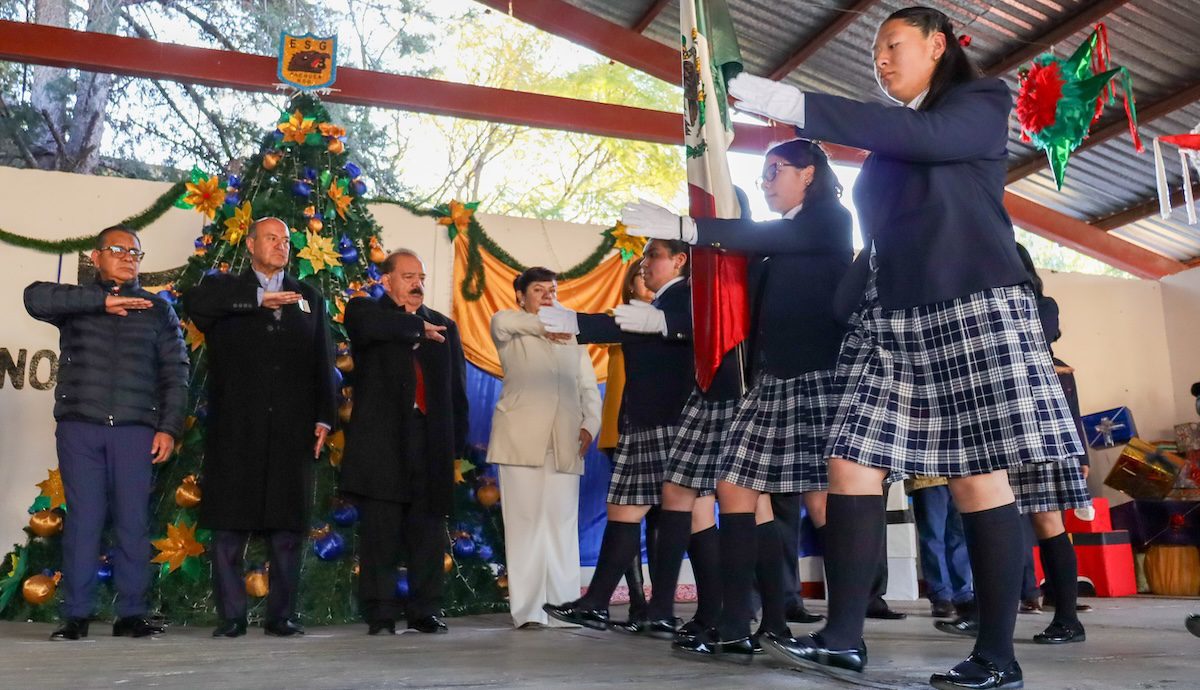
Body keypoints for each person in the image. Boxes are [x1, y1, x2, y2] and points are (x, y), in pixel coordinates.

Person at [727, 7, 1085, 688]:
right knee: (850, 461)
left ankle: (996, 657)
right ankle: (841, 637)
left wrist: (797, 103)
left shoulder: (979, 102)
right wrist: (848, 301)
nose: (881, 60)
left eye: (892, 46)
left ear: (936, 45)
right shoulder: (894, 140)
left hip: (971, 303)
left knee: (979, 476)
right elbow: (887, 226)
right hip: (891, 319)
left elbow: (921, 136)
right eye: (875, 52)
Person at [620, 138, 852, 656]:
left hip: (818, 375)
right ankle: (741, 620)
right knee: (735, 487)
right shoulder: (778, 241)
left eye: (775, 171)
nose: (765, 181)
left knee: (829, 499)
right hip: (772, 378)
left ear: (808, 173)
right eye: (763, 173)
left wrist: (688, 228)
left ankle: (839, 625)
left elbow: (758, 235)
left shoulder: (831, 219)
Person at [25, 225, 188, 641]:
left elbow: (176, 373)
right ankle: (77, 614)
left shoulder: (157, 310)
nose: (128, 256)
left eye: (135, 252)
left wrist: (168, 427)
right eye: (117, 249)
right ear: (96, 258)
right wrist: (103, 301)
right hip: (81, 428)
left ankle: (131, 613)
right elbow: (33, 297)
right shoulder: (78, 303)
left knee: (133, 522)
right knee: (84, 520)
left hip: (135, 432)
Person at [185, 217, 337, 638]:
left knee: (288, 529)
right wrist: (258, 299)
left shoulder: (308, 297)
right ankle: (231, 616)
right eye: (271, 238)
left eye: (286, 240)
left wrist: (325, 416)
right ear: (250, 243)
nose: (280, 245)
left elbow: (324, 363)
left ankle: (281, 616)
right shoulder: (223, 290)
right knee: (229, 528)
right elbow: (195, 306)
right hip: (237, 430)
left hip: (292, 432)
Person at [538, 239, 694, 631]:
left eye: (652, 255)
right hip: (644, 422)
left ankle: (692, 611)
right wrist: (576, 324)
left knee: (687, 518)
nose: (644, 264)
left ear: (679, 261)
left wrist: (577, 323)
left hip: (667, 421)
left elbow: (626, 327)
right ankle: (602, 603)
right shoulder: (660, 304)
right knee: (626, 511)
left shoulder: (685, 297)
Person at [340, 249, 469, 635]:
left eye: (421, 277)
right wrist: (414, 329)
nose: (417, 284)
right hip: (383, 444)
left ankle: (424, 609)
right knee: (381, 532)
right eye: (408, 276)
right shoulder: (365, 313)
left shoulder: (442, 326)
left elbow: (456, 391)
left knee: (427, 532)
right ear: (386, 280)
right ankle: (380, 612)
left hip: (429, 443)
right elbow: (372, 329)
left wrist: (455, 446)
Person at [487, 266, 602, 628]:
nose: (548, 295)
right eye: (539, 290)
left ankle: (563, 607)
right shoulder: (508, 324)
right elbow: (506, 322)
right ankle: (529, 611)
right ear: (521, 295)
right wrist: (549, 323)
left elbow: (587, 386)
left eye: (552, 289)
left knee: (561, 524)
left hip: (565, 439)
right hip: (521, 438)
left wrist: (590, 424)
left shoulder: (572, 335)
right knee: (525, 524)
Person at [596, 258, 657, 620]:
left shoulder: (676, 316)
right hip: (621, 429)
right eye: (641, 275)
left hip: (664, 428)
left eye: (652, 272)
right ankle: (637, 598)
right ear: (630, 283)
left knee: (664, 518)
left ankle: (658, 596)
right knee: (627, 515)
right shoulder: (618, 316)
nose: (647, 279)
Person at [906, 476, 974, 619]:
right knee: (933, 537)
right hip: (927, 477)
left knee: (961, 537)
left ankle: (963, 595)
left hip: (962, 475)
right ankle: (941, 595)